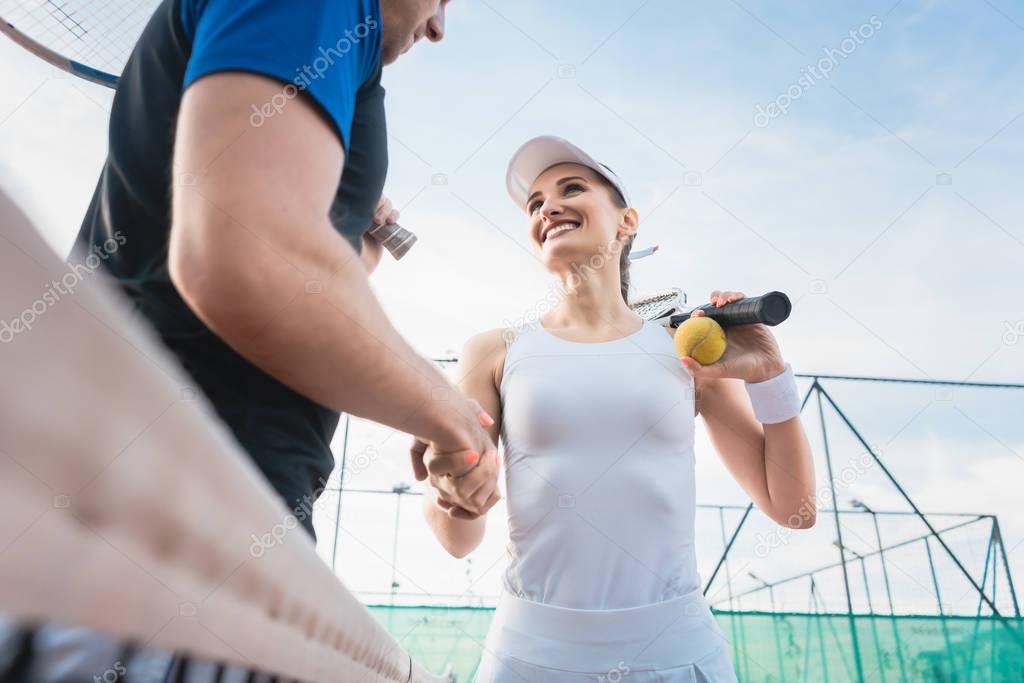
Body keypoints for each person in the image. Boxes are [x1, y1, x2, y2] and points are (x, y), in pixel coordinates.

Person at [73, 0, 500, 541]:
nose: (438, 26)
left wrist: (351, 238)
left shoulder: (341, 43)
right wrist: (446, 413)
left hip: (174, 485)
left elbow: (293, 274)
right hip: (176, 495)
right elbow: (249, 260)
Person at [419, 136, 817, 681]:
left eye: (571, 189)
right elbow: (457, 540)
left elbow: (793, 509)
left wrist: (771, 376)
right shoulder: (493, 351)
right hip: (530, 655)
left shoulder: (688, 351)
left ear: (626, 221)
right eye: (535, 204)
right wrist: (453, 500)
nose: (547, 207)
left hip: (677, 655)